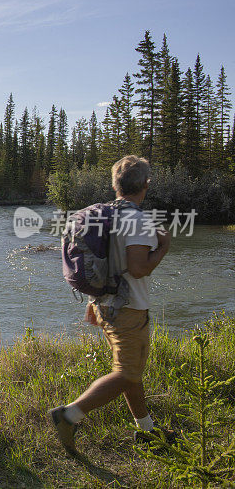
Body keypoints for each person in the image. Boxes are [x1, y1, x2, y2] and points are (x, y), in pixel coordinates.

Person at [49, 155, 175, 455]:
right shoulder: (138, 219)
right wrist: (165, 247)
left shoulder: (104, 214)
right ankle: (69, 415)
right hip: (128, 309)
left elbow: (106, 262)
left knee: (130, 369)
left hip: (107, 306)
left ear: (116, 185)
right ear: (145, 185)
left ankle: (148, 431)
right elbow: (138, 268)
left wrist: (94, 301)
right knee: (128, 373)